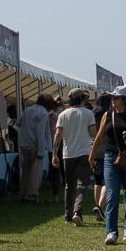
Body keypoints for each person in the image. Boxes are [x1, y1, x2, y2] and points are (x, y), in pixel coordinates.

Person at [92, 88, 126, 244]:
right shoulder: (107, 115)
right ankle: (111, 232)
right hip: (110, 158)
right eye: (112, 98)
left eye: (115, 98)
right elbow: (100, 137)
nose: (112, 100)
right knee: (112, 195)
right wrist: (91, 156)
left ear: (124, 99)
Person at [53, 90, 96, 225]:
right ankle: (78, 212)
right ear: (83, 98)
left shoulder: (62, 114)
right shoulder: (88, 113)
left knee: (69, 185)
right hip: (84, 152)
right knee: (82, 184)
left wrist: (54, 153)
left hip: (67, 153)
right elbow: (93, 133)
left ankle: (67, 216)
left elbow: (58, 134)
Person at [16, 95, 54, 203]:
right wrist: (42, 150)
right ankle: (31, 196)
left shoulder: (27, 110)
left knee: (26, 171)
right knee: (35, 173)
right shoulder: (43, 113)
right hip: (35, 145)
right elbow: (40, 132)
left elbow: (18, 122)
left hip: (24, 145)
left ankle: (23, 194)